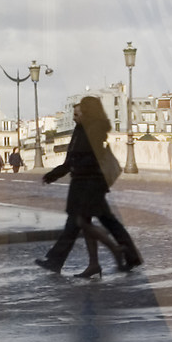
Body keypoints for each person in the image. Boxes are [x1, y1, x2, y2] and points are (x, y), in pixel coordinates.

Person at [39, 94, 141, 277]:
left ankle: (116, 251)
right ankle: (98, 263)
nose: (74, 117)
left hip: (88, 183)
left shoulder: (92, 130)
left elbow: (81, 158)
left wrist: (60, 172)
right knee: (98, 221)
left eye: (77, 114)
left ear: (87, 112)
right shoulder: (84, 129)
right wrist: (56, 174)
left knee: (78, 223)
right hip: (85, 182)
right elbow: (72, 159)